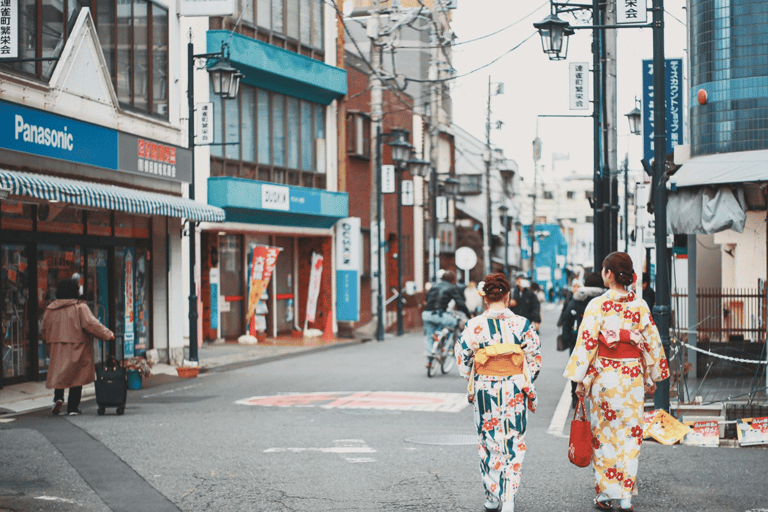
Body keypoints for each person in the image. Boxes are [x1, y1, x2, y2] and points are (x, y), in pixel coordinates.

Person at [564, 252, 669, 512]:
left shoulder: (597, 305)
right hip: (632, 376)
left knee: (604, 436)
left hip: (605, 377)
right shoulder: (640, 306)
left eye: (603, 269)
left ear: (608, 274)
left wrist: (580, 379)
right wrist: (651, 375)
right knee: (631, 434)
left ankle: (605, 495)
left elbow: (587, 344)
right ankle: (626, 496)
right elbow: (652, 342)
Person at [455, 273, 542, 512]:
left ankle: (493, 496)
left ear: (485, 298)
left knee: (489, 440)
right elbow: (534, 358)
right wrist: (526, 380)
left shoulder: (474, 325)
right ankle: (510, 497)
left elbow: (463, 358)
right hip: (514, 385)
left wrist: (473, 377)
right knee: (513, 439)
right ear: (507, 296)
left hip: (485, 387)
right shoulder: (522, 324)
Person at [42, 278, 115, 416]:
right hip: (77, 345)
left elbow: (44, 329)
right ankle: (73, 408)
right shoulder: (79, 307)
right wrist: (108, 334)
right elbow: (92, 324)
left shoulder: (50, 309)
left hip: (56, 345)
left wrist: (48, 341)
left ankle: (58, 398)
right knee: (77, 375)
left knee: (60, 372)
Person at [557, 272, 605, 407]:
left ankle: (576, 397)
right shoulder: (606, 299)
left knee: (578, 367)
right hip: (602, 340)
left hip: (577, 338)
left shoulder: (578, 298)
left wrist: (567, 337)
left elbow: (567, 317)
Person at [421, 270, 470, 367]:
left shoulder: (434, 285)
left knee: (429, 336)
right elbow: (460, 303)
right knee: (455, 322)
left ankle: (429, 361)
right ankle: (450, 346)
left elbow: (427, 300)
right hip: (439, 314)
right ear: (452, 279)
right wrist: (467, 315)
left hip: (426, 314)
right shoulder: (451, 287)